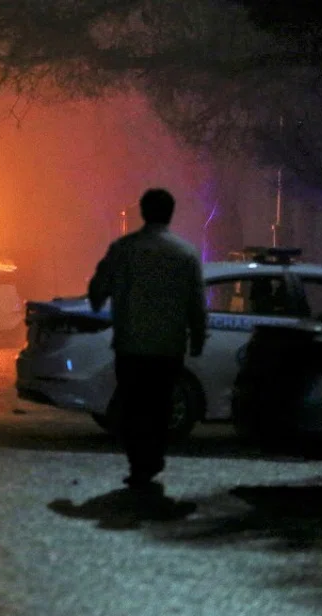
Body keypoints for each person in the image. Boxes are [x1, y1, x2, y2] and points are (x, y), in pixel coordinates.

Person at [88, 188, 206, 488]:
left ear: (143, 212)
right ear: (171, 213)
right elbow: (196, 302)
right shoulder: (186, 254)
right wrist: (198, 336)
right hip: (168, 348)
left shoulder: (124, 249)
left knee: (133, 404)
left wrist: (100, 300)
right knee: (159, 404)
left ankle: (140, 462)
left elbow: (98, 288)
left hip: (131, 346)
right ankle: (153, 460)